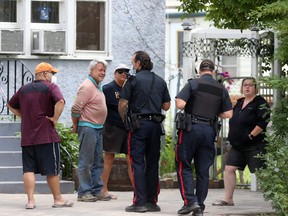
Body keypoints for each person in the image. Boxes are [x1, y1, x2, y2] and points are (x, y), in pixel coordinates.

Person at [7, 62, 73, 209]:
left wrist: (23, 115)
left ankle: (30, 201)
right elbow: (60, 102)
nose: (52, 76)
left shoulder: (24, 89)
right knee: (52, 170)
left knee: (28, 169)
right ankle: (58, 199)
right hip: (47, 136)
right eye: (51, 73)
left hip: (28, 137)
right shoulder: (51, 87)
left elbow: (10, 105)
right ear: (44, 73)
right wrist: (55, 119)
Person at [175, 59, 233, 216]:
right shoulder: (221, 88)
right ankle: (199, 206)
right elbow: (228, 113)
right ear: (213, 72)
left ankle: (190, 202)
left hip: (190, 129)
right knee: (203, 169)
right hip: (209, 130)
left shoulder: (194, 84)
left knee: (184, 164)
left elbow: (180, 104)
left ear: (200, 71)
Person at [118, 51, 171, 213]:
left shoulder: (132, 81)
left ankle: (139, 202)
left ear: (139, 63)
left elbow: (122, 104)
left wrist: (125, 121)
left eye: (133, 62)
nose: (132, 66)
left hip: (138, 126)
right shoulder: (160, 81)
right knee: (153, 163)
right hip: (155, 125)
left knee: (138, 163)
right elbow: (166, 106)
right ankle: (151, 202)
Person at [212, 77, 270, 207]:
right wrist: (214, 111)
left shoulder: (260, 102)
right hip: (238, 145)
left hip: (254, 145)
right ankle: (228, 199)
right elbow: (230, 115)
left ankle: (281, 197)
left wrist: (250, 135)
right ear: (242, 87)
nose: (247, 87)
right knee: (229, 169)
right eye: (245, 85)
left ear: (255, 88)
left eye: (250, 85)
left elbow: (263, 121)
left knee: (261, 173)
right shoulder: (239, 102)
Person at [71, 59, 108, 202]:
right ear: (91, 71)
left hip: (97, 128)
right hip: (88, 127)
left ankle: (96, 190)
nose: (103, 73)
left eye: (104, 70)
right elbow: (75, 108)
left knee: (98, 161)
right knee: (86, 161)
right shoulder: (87, 86)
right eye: (100, 70)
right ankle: (84, 192)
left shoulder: (97, 85)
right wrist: (75, 125)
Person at [101, 63, 133, 199]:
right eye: (120, 71)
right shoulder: (107, 88)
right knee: (109, 157)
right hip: (112, 126)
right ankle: (103, 189)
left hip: (127, 127)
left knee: (131, 158)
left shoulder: (131, 87)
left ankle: (138, 191)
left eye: (126, 72)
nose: (123, 74)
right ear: (114, 74)